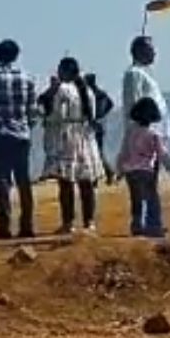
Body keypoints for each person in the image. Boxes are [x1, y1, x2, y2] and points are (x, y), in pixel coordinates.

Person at [0, 38, 39, 240]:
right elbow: (33, 111)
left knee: (3, 180)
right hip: (21, 135)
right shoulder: (27, 78)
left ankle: (4, 226)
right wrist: (26, 126)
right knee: (23, 181)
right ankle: (27, 225)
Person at [41, 57, 107, 234]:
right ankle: (89, 222)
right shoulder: (88, 90)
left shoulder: (62, 89)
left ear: (64, 72)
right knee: (87, 183)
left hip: (68, 137)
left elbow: (55, 113)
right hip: (85, 136)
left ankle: (68, 222)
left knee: (66, 183)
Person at [116, 96, 170, 237]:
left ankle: (137, 225)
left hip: (131, 171)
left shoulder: (130, 133)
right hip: (146, 171)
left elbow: (123, 152)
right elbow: (163, 156)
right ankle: (153, 226)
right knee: (151, 198)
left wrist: (120, 170)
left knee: (136, 199)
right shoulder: (154, 135)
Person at [123, 35, 170, 146]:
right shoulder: (134, 74)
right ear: (140, 51)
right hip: (145, 136)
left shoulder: (146, 74)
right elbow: (134, 104)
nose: (154, 52)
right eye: (150, 49)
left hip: (156, 133)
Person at [84, 73, 117, 184]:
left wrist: (99, 116)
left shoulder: (93, 95)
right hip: (98, 126)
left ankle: (103, 174)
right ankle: (101, 175)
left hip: (94, 127)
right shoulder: (101, 94)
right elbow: (110, 104)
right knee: (95, 152)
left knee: (95, 152)